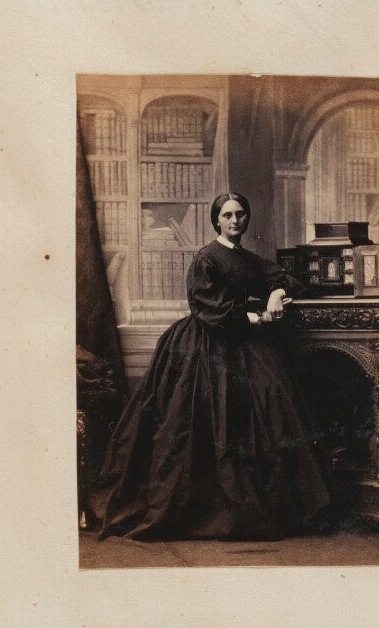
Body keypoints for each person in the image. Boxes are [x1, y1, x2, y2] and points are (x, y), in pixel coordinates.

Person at [98, 193, 333, 541]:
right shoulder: (206, 258)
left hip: (245, 342)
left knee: (270, 396)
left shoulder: (247, 258)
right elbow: (208, 309)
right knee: (198, 417)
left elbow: (282, 276)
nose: (235, 220)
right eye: (227, 215)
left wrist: (275, 293)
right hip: (207, 341)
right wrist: (255, 317)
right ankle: (205, 508)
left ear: (247, 218)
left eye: (240, 214)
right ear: (217, 220)